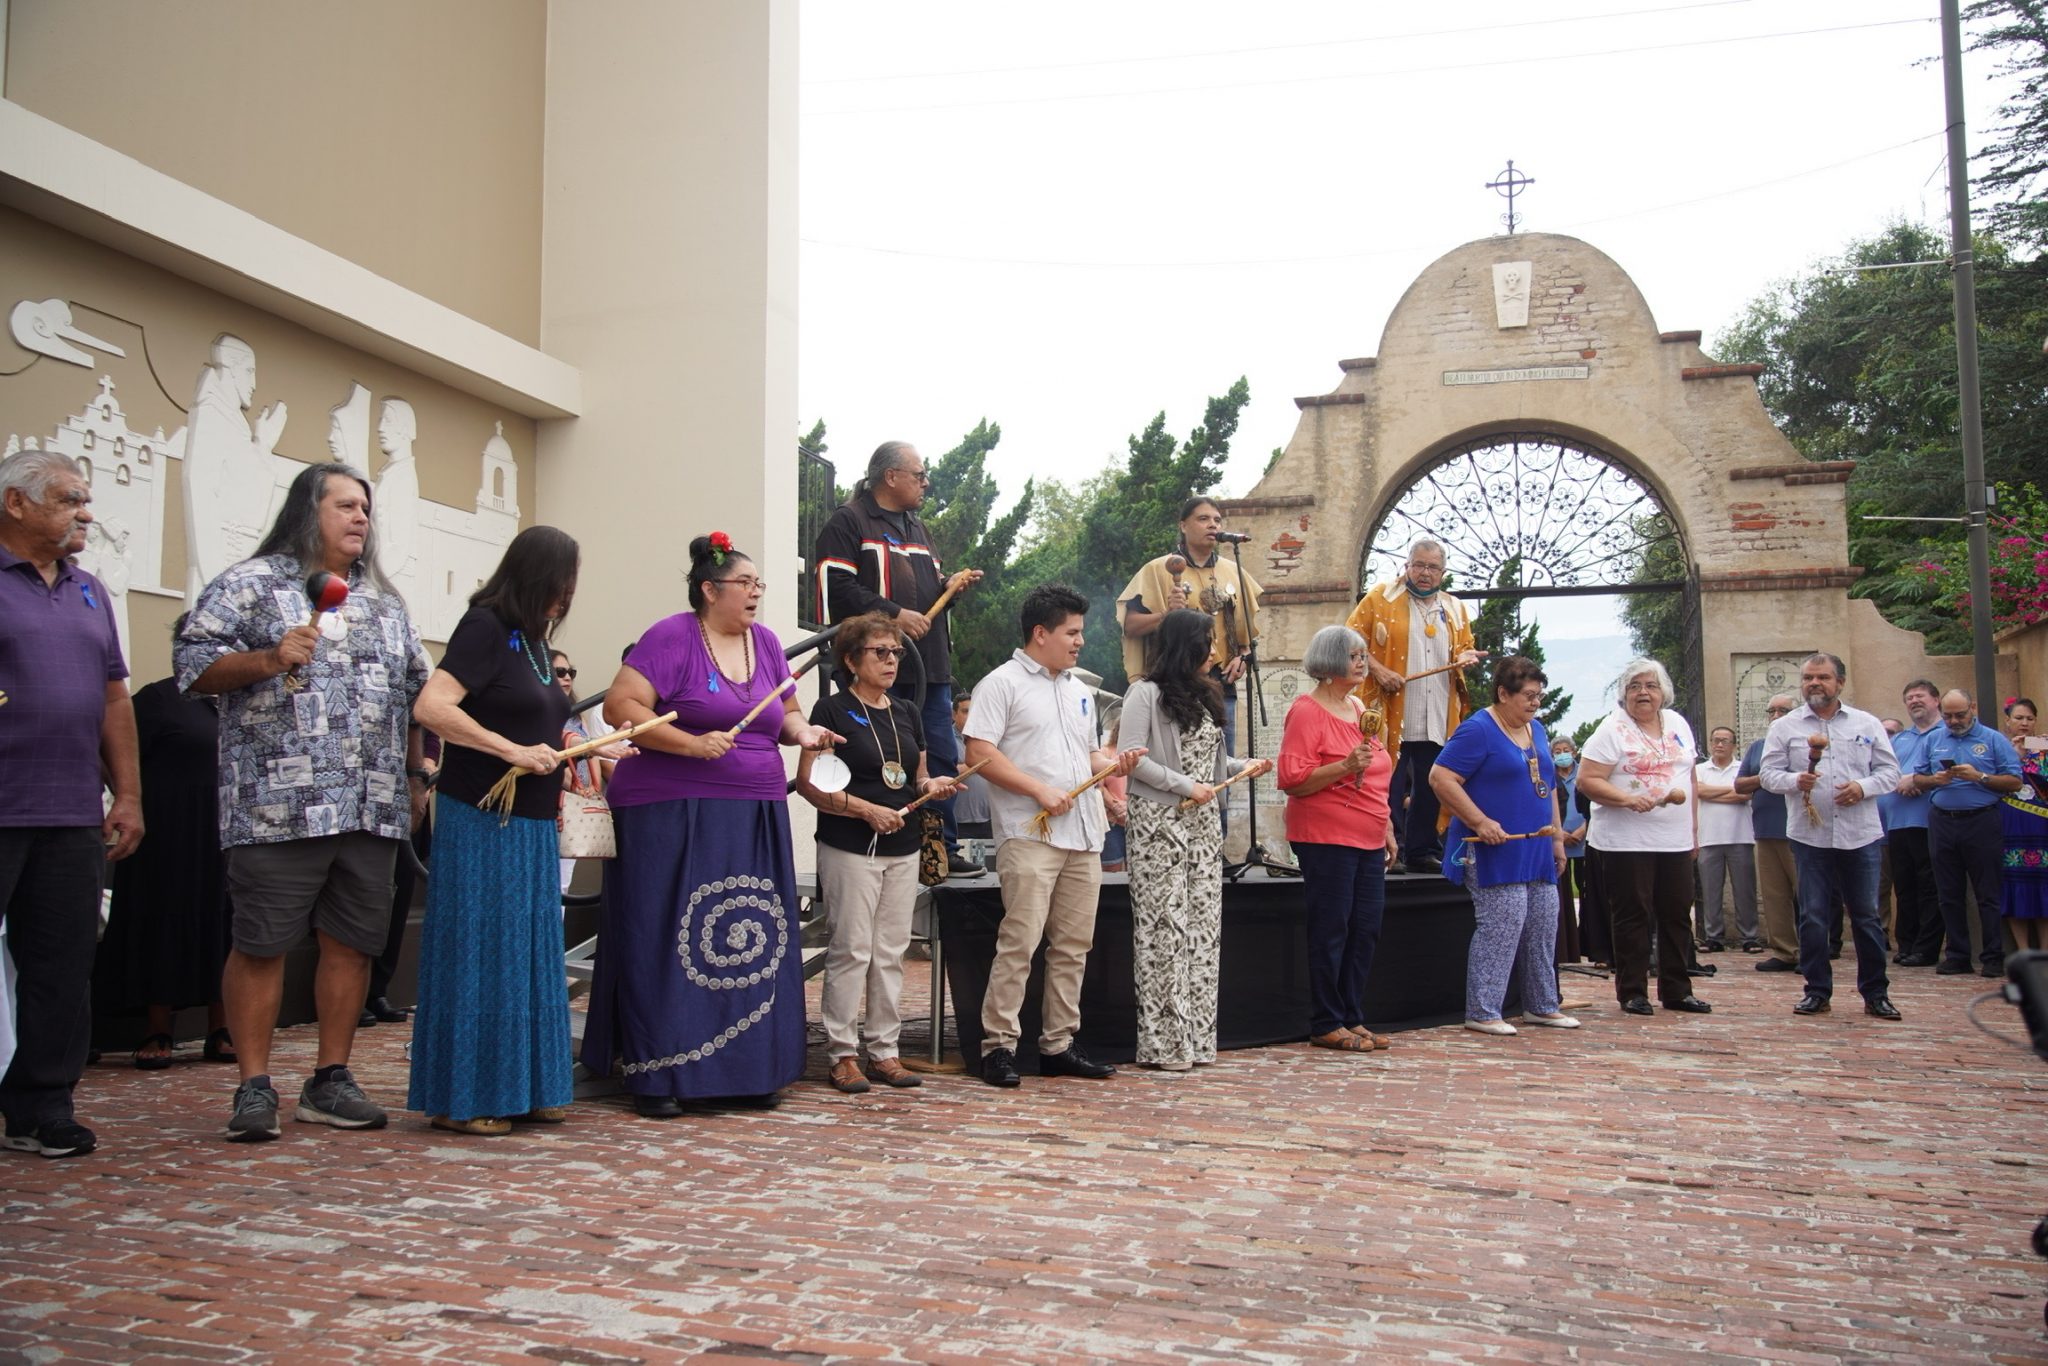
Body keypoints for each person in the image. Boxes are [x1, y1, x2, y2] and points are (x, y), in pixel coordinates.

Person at [177, 462, 432, 1142]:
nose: (361, 519)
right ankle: (254, 1085)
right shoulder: (249, 584)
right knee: (261, 944)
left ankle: (330, 1078)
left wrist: (415, 778)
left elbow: (416, 693)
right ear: (306, 511)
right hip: (277, 804)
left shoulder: (382, 603)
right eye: (347, 505)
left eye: (366, 510)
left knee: (350, 947)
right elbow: (191, 665)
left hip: (369, 803)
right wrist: (267, 657)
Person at [582, 534, 841, 1117]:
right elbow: (623, 708)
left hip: (754, 808)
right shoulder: (671, 636)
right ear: (709, 589)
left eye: (759, 585)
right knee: (671, 939)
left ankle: (749, 1070)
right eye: (745, 584)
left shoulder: (768, 643)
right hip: (671, 811)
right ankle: (661, 1074)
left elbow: (787, 710)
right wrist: (689, 743)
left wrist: (803, 733)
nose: (755, 594)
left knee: (755, 933)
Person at [407, 526, 581, 1135]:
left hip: (531, 822)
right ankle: (467, 1096)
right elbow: (432, 707)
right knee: (484, 952)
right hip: (482, 817)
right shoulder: (484, 626)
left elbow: (542, 719)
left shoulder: (534, 640)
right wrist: (509, 749)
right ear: (536, 577)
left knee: (529, 955)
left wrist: (585, 750)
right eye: (561, 583)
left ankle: (529, 1085)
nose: (567, 596)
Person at [0, 449, 143, 1158]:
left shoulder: (91, 591)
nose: (85, 513)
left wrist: (130, 794)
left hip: (71, 814)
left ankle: (41, 1107)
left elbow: (115, 696)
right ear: (15, 504)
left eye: (85, 500)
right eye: (68, 499)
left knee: (60, 967)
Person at [962, 584, 1145, 1088]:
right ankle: (997, 1046)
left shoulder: (1078, 690)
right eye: (1072, 632)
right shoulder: (999, 684)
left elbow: (1086, 757)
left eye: (1081, 632)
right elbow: (979, 751)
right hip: (1028, 833)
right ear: (1040, 634)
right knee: (1019, 941)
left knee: (1073, 945)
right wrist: (1038, 790)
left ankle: (1059, 1043)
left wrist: (1113, 772)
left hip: (1083, 833)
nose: (1080, 641)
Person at [794, 612, 957, 1094]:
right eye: (880, 652)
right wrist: (866, 810)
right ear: (850, 659)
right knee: (851, 950)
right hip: (850, 845)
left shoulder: (906, 711)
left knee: (890, 952)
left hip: (903, 846)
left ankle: (884, 1050)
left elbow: (916, 776)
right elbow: (808, 784)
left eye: (897, 653)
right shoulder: (831, 711)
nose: (891, 660)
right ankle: (842, 1054)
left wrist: (934, 785)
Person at [813, 442, 984, 873]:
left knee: (938, 756)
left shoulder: (919, 528)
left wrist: (949, 587)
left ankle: (940, 850)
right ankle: (874, 832)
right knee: (873, 755)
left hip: (929, 666)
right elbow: (838, 591)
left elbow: (926, 594)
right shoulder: (848, 521)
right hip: (873, 665)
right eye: (919, 475)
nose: (926, 483)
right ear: (891, 477)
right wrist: (894, 615)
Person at [1123, 609, 1269, 1071]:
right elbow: (1132, 760)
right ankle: (1165, 1046)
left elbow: (1210, 766)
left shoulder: (1207, 695)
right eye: (1207, 642)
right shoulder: (1143, 693)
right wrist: (1186, 786)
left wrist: (1241, 765)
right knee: (1163, 932)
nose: (1214, 651)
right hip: (1158, 823)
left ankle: (1199, 1041)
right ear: (1186, 645)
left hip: (1203, 824)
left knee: (1203, 933)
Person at [95, 617, 232, 1070]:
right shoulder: (157, 700)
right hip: (168, 839)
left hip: (230, 835)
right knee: (162, 923)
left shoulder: (244, 703)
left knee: (228, 925)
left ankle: (222, 1027)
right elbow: (112, 752)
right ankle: (158, 1028)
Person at [1430, 656, 1579, 1035]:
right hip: (1494, 846)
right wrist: (1480, 820)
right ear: (1503, 693)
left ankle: (1542, 1005)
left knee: (1544, 924)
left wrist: (1557, 840)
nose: (1535, 703)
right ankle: (1482, 1010)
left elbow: (1548, 789)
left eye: (1539, 696)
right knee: (1503, 924)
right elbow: (1440, 777)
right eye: (1528, 695)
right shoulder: (1478, 729)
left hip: (1537, 846)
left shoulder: (1538, 730)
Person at [1758, 653, 1903, 1019]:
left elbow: (1889, 773)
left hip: (1860, 835)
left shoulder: (1866, 723)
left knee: (1867, 917)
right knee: (1813, 916)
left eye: (1822, 677)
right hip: (1811, 835)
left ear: (1840, 682)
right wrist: (1795, 780)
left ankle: (1875, 994)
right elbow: (1768, 776)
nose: (1814, 684)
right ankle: (1816, 990)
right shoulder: (1785, 727)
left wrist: (1862, 786)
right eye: (1808, 678)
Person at [1276, 626, 1397, 1054]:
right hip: (1326, 835)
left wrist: (1386, 825)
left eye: (1364, 655)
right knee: (1333, 929)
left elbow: (1375, 771)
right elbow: (1292, 779)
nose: (1363, 662)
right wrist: (1345, 765)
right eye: (1354, 656)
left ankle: (1351, 1015)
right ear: (1329, 663)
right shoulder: (1307, 711)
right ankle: (1326, 1021)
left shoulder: (1359, 707)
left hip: (1367, 834)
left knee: (1365, 929)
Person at [1575, 658, 1710, 1018]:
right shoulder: (1611, 730)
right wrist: (1627, 799)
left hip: (1675, 840)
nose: (1643, 693)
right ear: (1624, 695)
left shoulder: (1678, 723)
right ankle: (1633, 992)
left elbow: (1690, 781)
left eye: (1650, 686)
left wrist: (1693, 830)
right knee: (1632, 916)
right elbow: (1587, 780)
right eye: (1634, 687)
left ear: (1662, 691)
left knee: (1678, 914)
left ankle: (1678, 989)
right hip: (1626, 841)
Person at [1346, 539, 1483, 874]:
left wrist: (1465, 656)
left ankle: (1421, 850)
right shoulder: (1381, 597)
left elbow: (1466, 645)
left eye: (1432, 567)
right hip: (1391, 706)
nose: (1424, 573)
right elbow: (1350, 637)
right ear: (1406, 566)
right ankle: (1383, 847)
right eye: (1418, 565)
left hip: (1436, 707)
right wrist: (1378, 670)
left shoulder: (1454, 607)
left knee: (1432, 779)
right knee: (1386, 777)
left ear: (1443, 573)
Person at [1117, 497, 1263, 757]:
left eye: (1217, 520)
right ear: (1183, 526)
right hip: (1171, 687)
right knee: (1175, 762)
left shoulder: (1234, 571)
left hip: (1219, 687)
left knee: (1221, 767)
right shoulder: (1158, 569)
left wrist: (1243, 657)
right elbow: (1130, 626)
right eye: (1203, 518)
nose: (1213, 525)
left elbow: (1247, 638)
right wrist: (1166, 614)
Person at [1915, 689, 2024, 978]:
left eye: (1959, 714)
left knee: (1988, 893)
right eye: (1948, 715)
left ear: (1972, 708)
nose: (1953, 720)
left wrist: (1980, 777)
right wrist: (1933, 780)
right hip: (1942, 821)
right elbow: (1917, 777)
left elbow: (2015, 781)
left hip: (1982, 821)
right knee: (1948, 893)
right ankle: (1957, 955)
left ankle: (1992, 957)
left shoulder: (1993, 739)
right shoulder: (1934, 739)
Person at [1737, 694, 1801, 974]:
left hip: (1798, 831)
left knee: (1808, 894)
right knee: (1774, 896)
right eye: (1771, 711)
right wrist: (1766, 778)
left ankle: (1814, 951)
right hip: (1764, 830)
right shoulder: (1757, 747)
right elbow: (1739, 785)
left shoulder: (1803, 745)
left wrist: (1767, 780)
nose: (1776, 715)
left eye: (1783, 710)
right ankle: (1785, 952)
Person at [1884, 680, 1945, 967]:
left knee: (1929, 885)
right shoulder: (1900, 738)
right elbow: (1885, 769)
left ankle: (1927, 948)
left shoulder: (1947, 733)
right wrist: (1902, 781)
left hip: (1930, 822)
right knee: (1904, 886)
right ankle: (1906, 944)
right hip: (1897, 823)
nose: (1914, 701)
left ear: (1936, 700)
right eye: (1909, 698)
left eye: (1920, 696)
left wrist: (1918, 781)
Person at [1694, 725, 1759, 954]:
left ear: (1734, 745)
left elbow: (1745, 793)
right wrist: (1730, 792)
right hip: (1708, 837)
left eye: (1724, 740)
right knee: (1711, 891)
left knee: (1745, 889)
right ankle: (1713, 936)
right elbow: (1698, 791)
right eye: (1715, 740)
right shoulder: (1700, 769)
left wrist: (1715, 793)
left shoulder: (1743, 768)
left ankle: (1749, 936)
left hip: (1740, 836)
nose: (1719, 745)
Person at [2001, 697, 2047, 953]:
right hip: (2012, 827)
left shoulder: (2044, 746)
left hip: (2042, 828)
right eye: (2019, 718)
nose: (2024, 723)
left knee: (2043, 884)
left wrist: (2033, 749)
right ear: (2008, 721)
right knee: (2015, 882)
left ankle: (2045, 951)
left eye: (2029, 718)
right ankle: (2023, 951)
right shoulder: (2000, 747)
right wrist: (2016, 756)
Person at [1552, 736, 1592, 966]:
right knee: (1563, 897)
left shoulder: (1583, 773)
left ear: (1574, 752)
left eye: (1566, 750)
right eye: (1557, 751)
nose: (1562, 754)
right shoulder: (1551, 776)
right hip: (1560, 841)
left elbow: (1592, 806)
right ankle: (1567, 945)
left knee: (1588, 893)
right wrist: (1561, 835)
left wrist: (1580, 832)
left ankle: (1587, 941)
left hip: (1583, 840)